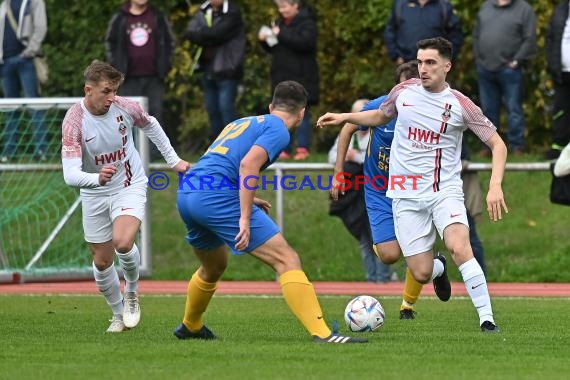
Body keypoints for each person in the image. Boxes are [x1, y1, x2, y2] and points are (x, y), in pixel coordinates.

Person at [318, 37, 508, 333]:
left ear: (447, 66)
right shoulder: (403, 92)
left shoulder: (460, 104)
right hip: (405, 197)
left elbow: (497, 143)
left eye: (430, 62)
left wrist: (495, 185)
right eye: (420, 62)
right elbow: (380, 115)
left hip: (443, 192)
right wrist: (346, 116)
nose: (423, 68)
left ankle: (487, 320)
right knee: (420, 272)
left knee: (460, 246)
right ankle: (439, 268)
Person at [175, 81, 366, 344]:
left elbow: (222, 165)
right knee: (287, 259)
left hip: (190, 191)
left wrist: (250, 200)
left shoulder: (243, 122)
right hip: (216, 196)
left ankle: (191, 326)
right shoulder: (279, 129)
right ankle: (323, 334)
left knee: (214, 265)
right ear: (302, 113)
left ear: (270, 106)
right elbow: (247, 163)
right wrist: (243, 216)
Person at [61, 60, 190, 333]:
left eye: (114, 91)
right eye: (106, 91)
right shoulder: (74, 122)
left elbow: (151, 125)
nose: (111, 97)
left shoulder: (125, 107)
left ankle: (132, 291)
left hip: (129, 184)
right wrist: (97, 178)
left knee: (122, 241)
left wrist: (173, 160)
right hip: (94, 191)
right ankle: (118, 314)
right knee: (102, 261)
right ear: (88, 89)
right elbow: (70, 174)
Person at [331, 62, 424, 320]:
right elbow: (348, 127)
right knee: (390, 255)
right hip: (378, 189)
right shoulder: (380, 106)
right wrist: (339, 172)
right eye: (404, 88)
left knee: (416, 257)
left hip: (412, 190)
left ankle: (407, 305)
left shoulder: (429, 110)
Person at [328, 99, 395, 283]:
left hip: (377, 190)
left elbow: (376, 158)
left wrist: (356, 156)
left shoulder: (380, 131)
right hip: (355, 194)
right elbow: (332, 155)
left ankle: (385, 278)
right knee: (365, 239)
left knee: (380, 237)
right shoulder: (350, 134)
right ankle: (371, 278)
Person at [105, 0, 175, 161]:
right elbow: (111, 43)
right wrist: (117, 68)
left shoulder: (157, 16)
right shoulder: (120, 17)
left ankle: (155, 154)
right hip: (129, 77)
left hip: (154, 76)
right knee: (130, 116)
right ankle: (132, 154)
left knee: (155, 114)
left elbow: (169, 43)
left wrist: (166, 65)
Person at [473, 0, 537, 155]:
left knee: (514, 108)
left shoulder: (524, 9)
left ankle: (517, 146)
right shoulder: (486, 6)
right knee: (488, 110)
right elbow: (476, 35)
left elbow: (530, 39)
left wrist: (517, 61)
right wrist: (478, 59)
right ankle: (490, 146)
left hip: (511, 70)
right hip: (485, 68)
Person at [258, 0, 318, 161]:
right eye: (279, 7)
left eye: (284, 6)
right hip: (280, 75)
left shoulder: (308, 22)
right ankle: (283, 149)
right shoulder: (279, 23)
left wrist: (280, 33)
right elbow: (275, 47)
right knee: (280, 113)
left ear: (295, 5)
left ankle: (303, 148)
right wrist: (265, 41)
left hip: (302, 75)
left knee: (301, 112)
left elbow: (305, 43)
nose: (281, 10)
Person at [187, 0, 246, 140]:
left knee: (226, 109)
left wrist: (203, 34)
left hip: (227, 70)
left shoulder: (233, 12)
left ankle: (233, 145)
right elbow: (190, 33)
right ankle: (218, 147)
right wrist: (208, 35)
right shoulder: (203, 9)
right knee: (212, 111)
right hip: (207, 69)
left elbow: (217, 33)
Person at [0, 0, 48, 163]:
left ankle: (41, 151)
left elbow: (40, 27)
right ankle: (9, 152)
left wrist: (29, 51)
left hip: (26, 61)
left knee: (34, 106)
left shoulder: (34, 2)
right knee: (10, 108)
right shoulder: (5, 3)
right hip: (5, 62)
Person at [383, 0, 464, 65]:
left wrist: (446, 59)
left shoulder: (444, 6)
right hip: (406, 65)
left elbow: (456, 35)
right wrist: (396, 56)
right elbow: (390, 31)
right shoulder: (400, 4)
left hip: (434, 66)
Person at [545, 1, 570, 160]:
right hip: (562, 73)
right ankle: (559, 147)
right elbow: (551, 38)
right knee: (561, 111)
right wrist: (553, 64)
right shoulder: (561, 9)